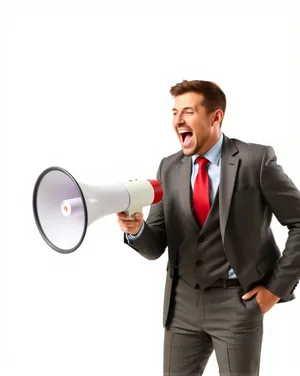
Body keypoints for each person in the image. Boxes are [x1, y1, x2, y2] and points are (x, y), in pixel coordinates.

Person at [116, 79, 300, 376]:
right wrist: (136, 229)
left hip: (238, 303)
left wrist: (275, 290)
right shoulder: (169, 167)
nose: (178, 120)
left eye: (187, 112)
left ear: (216, 117)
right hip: (182, 305)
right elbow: (155, 246)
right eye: (174, 112)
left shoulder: (256, 160)